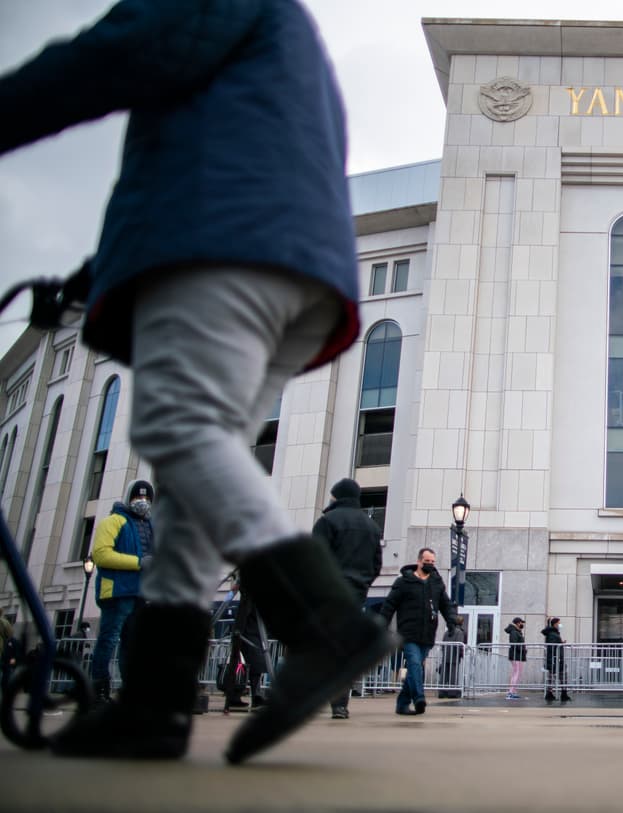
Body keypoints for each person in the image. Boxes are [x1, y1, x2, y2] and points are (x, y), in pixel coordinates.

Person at [4, 0, 391, 764]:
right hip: (290, 259)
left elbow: (122, 51)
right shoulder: (282, 32)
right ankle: (155, 701)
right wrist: (92, 275)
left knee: (178, 431)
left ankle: (326, 625)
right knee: (188, 485)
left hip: (225, 241)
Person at [312, 478, 383, 719]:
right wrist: (362, 584)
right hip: (355, 593)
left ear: (336, 496)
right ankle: (339, 703)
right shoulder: (371, 526)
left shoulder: (327, 521)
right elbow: (376, 565)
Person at [86, 479, 154, 706]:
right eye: (138, 497)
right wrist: (138, 562)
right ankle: (99, 688)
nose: (142, 502)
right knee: (108, 640)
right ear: (129, 498)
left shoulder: (150, 525)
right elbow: (101, 554)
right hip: (117, 592)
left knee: (132, 644)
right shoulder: (113, 522)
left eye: (146, 498)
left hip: (140, 593)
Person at [380, 548, 458, 715]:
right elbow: (389, 605)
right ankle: (419, 698)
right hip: (408, 633)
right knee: (414, 664)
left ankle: (402, 704)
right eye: (426, 562)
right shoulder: (403, 582)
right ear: (419, 561)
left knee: (416, 668)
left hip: (427, 634)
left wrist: (452, 621)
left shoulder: (436, 582)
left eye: (432, 562)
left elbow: (445, 604)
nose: (430, 564)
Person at [222, 586, 268, 713]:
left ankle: (238, 696)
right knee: (247, 668)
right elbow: (243, 617)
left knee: (249, 668)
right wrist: (238, 633)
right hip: (248, 636)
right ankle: (245, 696)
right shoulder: (249, 599)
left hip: (250, 635)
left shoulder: (249, 600)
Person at [542, 617, 570, 703]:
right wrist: (560, 645)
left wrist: (561, 643)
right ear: (555, 624)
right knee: (560, 675)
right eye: (559, 623)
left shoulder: (553, 633)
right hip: (555, 659)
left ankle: (553, 693)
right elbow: (553, 647)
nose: (560, 625)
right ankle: (561, 694)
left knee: (552, 676)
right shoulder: (552, 634)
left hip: (554, 658)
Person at [437, 618, 465, 699]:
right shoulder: (459, 632)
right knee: (453, 675)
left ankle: (441, 692)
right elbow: (459, 645)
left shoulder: (446, 632)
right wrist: (461, 654)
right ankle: (452, 692)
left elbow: (443, 645)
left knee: (444, 675)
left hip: (446, 656)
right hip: (454, 656)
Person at [504, 617, 527, 700]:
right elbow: (514, 644)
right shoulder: (514, 632)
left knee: (516, 673)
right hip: (516, 655)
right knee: (516, 673)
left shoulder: (516, 631)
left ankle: (512, 691)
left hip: (517, 655)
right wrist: (523, 649)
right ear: (517, 623)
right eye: (521, 623)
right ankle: (511, 692)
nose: (522, 624)